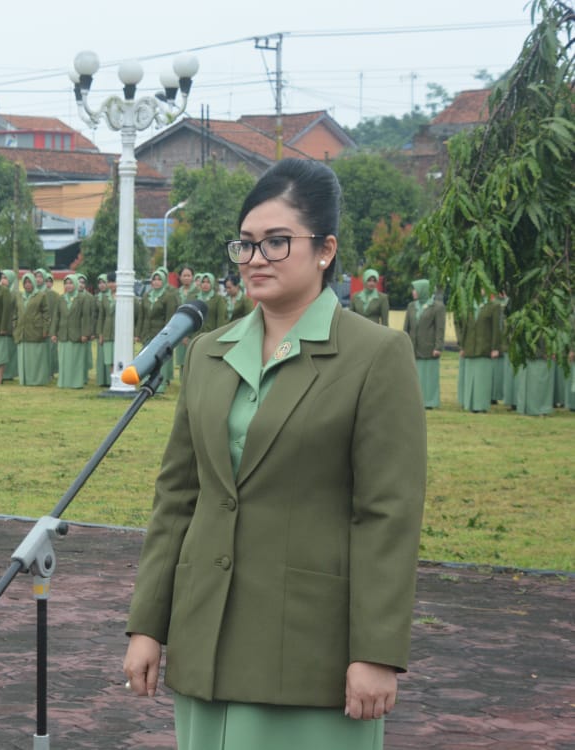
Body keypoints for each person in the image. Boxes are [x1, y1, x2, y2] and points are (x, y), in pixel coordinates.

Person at [123, 159, 426, 750]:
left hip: (310, 650)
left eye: (277, 242)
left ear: (325, 249)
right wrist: (147, 626)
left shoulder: (375, 356)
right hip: (206, 636)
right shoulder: (209, 353)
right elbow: (177, 500)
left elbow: (387, 514)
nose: (256, 259)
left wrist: (376, 652)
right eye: (246, 245)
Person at [403, 279, 446, 409]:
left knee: (429, 376)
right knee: (414, 376)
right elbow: (406, 327)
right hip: (413, 347)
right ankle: (414, 400)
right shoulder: (411, 306)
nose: (413, 292)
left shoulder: (437, 306)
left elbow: (440, 328)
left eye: (415, 289)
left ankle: (430, 402)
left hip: (429, 347)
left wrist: (438, 347)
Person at [136, 267, 179, 392]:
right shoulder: (146, 295)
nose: (156, 282)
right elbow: (141, 317)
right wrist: (138, 333)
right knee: (146, 357)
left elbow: (170, 317)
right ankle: (146, 381)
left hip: (161, 333)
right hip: (147, 333)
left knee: (159, 359)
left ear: (164, 281)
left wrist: (168, 335)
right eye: (154, 279)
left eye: (159, 279)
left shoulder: (168, 296)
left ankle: (159, 385)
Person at [458, 294, 502, 413]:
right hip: (470, 348)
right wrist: (462, 346)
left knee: (482, 380)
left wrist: (495, 348)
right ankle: (471, 405)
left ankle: (481, 406)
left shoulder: (494, 306)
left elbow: (496, 328)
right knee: (470, 379)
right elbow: (465, 327)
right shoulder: (469, 305)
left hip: (485, 348)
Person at [51, 274, 92, 388]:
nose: (68, 286)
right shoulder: (61, 298)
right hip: (63, 334)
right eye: (66, 283)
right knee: (64, 360)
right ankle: (63, 382)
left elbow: (85, 317)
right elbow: (56, 316)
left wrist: (85, 334)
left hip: (77, 334)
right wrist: (53, 332)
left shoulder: (82, 298)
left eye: (70, 283)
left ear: (75, 284)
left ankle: (76, 383)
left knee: (75, 360)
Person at [15, 272, 52, 386]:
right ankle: (25, 379)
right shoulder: (20, 296)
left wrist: (45, 329)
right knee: (24, 357)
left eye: (29, 282)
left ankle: (37, 380)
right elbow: (16, 313)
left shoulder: (41, 295)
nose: (27, 285)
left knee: (35, 358)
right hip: (22, 331)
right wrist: (15, 326)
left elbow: (46, 314)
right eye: (25, 282)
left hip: (36, 331)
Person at [95, 272, 117, 387]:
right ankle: (112, 381)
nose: (112, 284)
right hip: (107, 330)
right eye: (110, 282)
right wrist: (100, 333)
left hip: (120, 332)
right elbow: (101, 316)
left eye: (113, 281)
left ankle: (120, 380)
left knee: (119, 358)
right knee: (109, 359)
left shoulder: (125, 295)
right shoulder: (104, 297)